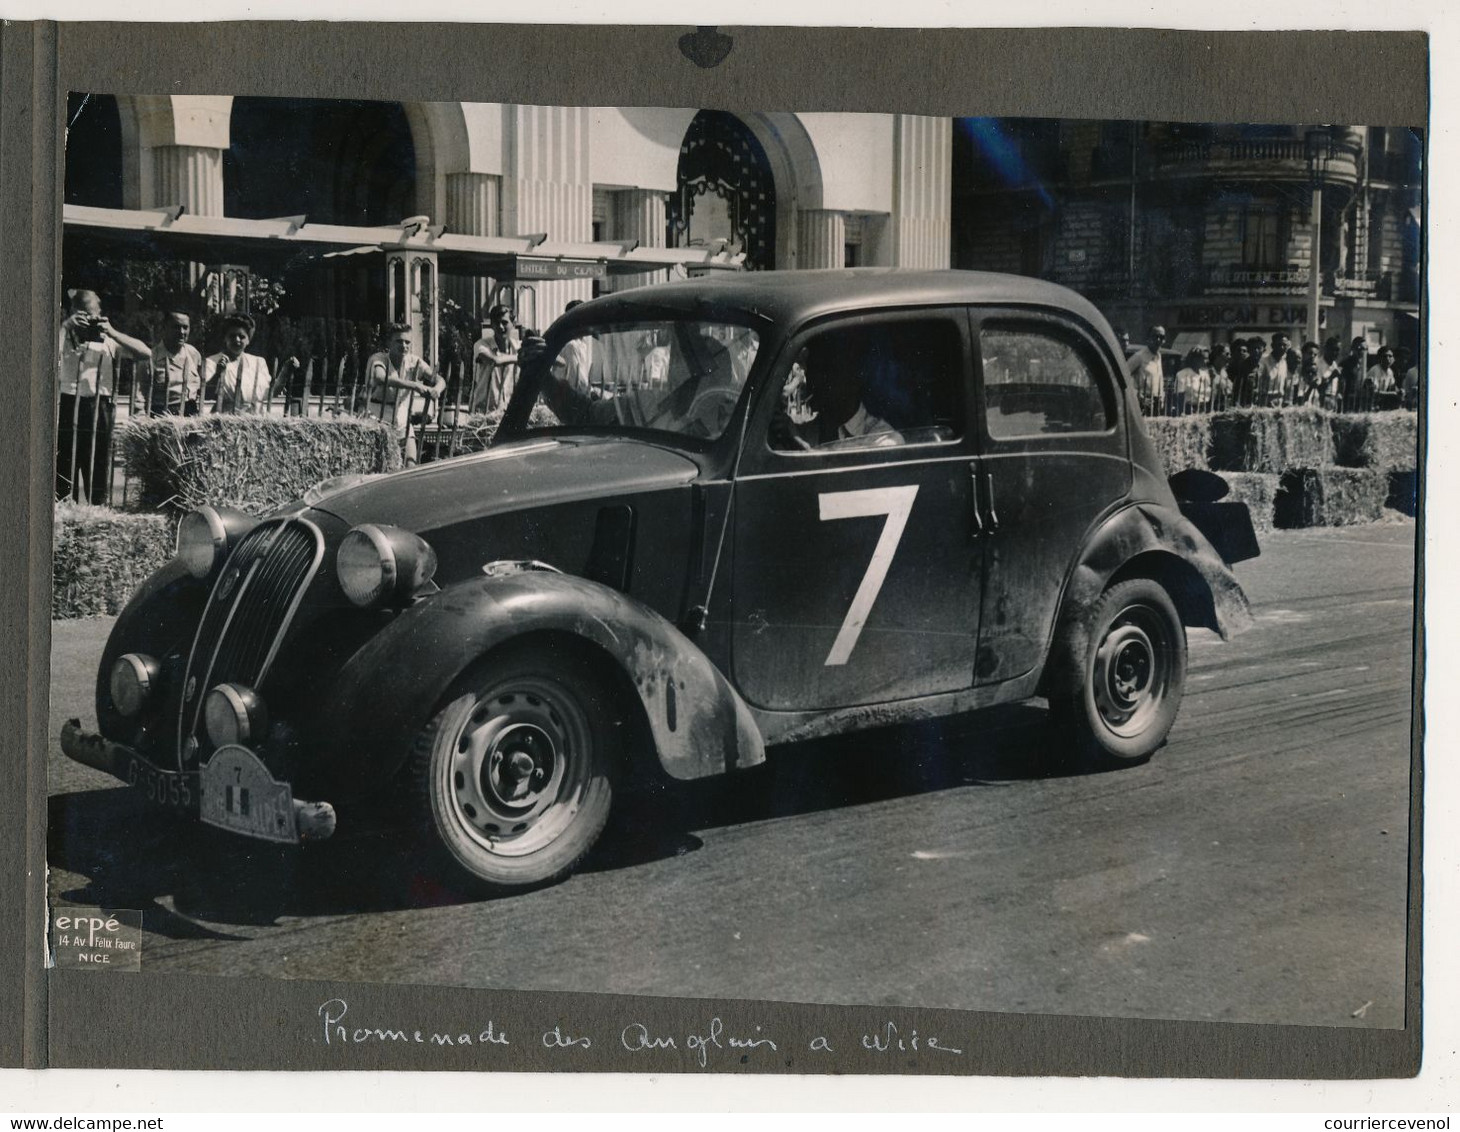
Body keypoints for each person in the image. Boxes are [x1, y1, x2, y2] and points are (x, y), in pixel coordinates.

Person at [56, 288, 150, 503]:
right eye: (82, 315)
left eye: (92, 315)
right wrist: (65, 326)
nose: (88, 321)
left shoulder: (107, 341)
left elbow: (145, 353)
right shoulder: (63, 335)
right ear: (72, 312)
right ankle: (63, 510)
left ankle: (96, 508)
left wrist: (112, 331)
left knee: (98, 465)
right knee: (65, 466)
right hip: (69, 403)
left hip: (100, 406)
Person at [365, 322, 446, 463]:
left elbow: (438, 379)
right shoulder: (379, 358)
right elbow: (380, 377)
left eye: (407, 342)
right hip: (376, 413)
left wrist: (436, 390)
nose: (404, 346)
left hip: (401, 414)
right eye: (399, 341)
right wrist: (414, 385)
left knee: (411, 461)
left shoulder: (413, 361)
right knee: (381, 463)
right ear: (389, 343)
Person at [207, 314, 275, 413]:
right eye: (232, 336)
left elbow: (268, 393)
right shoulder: (212, 361)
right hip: (225, 417)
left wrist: (285, 372)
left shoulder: (258, 362)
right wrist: (218, 373)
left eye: (242, 336)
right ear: (225, 338)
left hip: (254, 416)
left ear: (248, 340)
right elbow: (207, 394)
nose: (237, 340)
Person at [144, 305, 204, 416]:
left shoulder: (193, 354)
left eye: (185, 327)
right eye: (176, 327)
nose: (181, 332)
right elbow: (142, 394)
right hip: (162, 414)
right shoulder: (152, 357)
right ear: (164, 328)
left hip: (190, 413)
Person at [470, 305, 520, 413]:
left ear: (513, 324)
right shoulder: (481, 344)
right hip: (485, 411)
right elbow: (494, 361)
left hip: (510, 412)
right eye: (496, 323)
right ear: (491, 325)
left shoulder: (518, 347)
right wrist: (519, 358)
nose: (501, 327)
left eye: (505, 322)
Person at [1126, 325, 1166, 415]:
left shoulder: (1159, 356)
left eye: (1162, 337)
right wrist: (1136, 394)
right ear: (1148, 338)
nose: (1158, 340)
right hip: (1142, 401)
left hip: (1156, 402)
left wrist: (1162, 397)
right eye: (1155, 336)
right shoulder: (1139, 356)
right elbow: (1123, 376)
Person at [1255, 331, 1293, 406]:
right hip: (1265, 403)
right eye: (1279, 345)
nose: (1282, 347)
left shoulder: (1285, 363)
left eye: (1284, 345)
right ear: (1272, 345)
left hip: (1280, 404)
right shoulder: (1263, 360)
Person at [1173, 346, 1212, 414]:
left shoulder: (1205, 374)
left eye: (1207, 358)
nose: (1207, 361)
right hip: (1189, 410)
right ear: (1195, 359)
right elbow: (1180, 396)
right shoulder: (1182, 374)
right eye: (1204, 358)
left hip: (1204, 410)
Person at [1338, 337, 1368, 411]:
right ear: (1353, 349)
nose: (1361, 352)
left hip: (1359, 401)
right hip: (1347, 401)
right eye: (1359, 349)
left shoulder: (1365, 365)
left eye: (1364, 349)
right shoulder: (1345, 364)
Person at [1208, 343, 1233, 411]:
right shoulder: (1210, 373)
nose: (1229, 357)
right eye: (1227, 354)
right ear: (1217, 355)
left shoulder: (1224, 372)